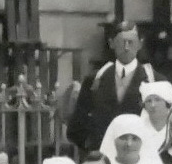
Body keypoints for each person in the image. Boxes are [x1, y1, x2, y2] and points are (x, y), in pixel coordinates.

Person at [66, 21, 154, 153]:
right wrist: (91, 147)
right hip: (103, 156)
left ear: (140, 44)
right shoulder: (95, 80)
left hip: (139, 155)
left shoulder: (153, 80)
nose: (126, 47)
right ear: (111, 43)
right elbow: (77, 126)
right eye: (121, 42)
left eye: (131, 42)